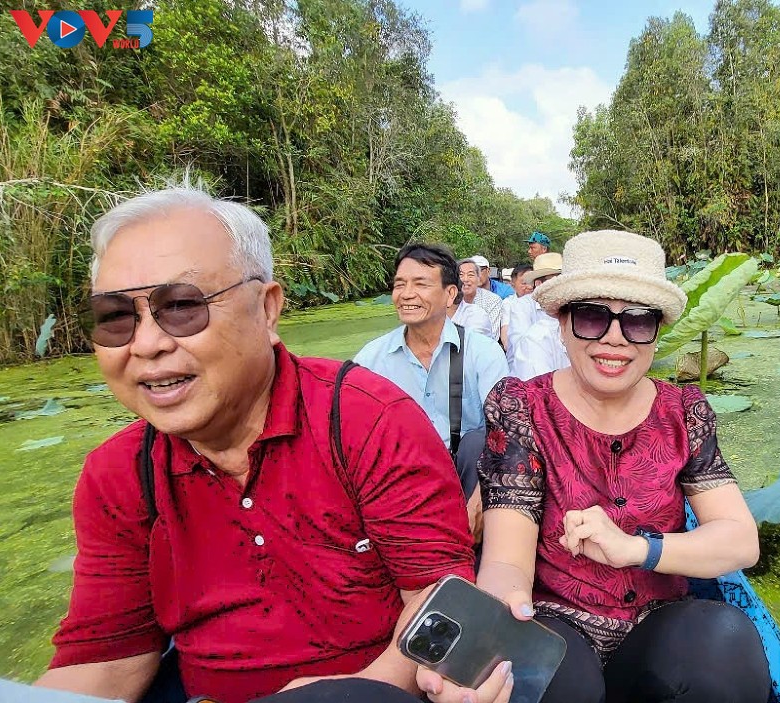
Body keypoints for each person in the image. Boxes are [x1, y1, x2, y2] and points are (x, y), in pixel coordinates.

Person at [34, 187, 503, 703]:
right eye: (115, 317)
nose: (146, 345)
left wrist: (358, 692)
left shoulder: (372, 419)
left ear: (267, 309)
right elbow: (106, 659)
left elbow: (440, 605)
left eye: (182, 306)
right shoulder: (118, 472)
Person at [475, 230, 771, 703]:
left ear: (655, 331)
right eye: (593, 316)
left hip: (658, 620)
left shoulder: (683, 412)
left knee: (723, 650)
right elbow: (507, 560)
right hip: (558, 616)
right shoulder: (523, 408)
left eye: (637, 320)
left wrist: (637, 549)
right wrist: (505, 609)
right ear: (562, 322)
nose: (614, 338)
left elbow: (739, 539)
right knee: (551, 684)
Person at [355, 244, 509, 545]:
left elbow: (506, 432)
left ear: (450, 294)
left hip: (467, 478)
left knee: (478, 442)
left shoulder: (483, 352)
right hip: (401, 483)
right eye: (400, 284)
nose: (406, 294)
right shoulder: (369, 361)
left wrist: (481, 500)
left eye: (420, 284)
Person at [505, 253, 567, 380]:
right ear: (539, 284)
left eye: (563, 280)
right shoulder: (521, 306)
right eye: (555, 281)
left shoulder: (569, 308)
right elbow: (523, 350)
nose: (561, 286)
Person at [458, 258, 504, 344]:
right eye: (461, 275)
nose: (465, 279)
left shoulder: (493, 300)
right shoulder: (449, 300)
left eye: (470, 275)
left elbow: (492, 336)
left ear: (478, 278)